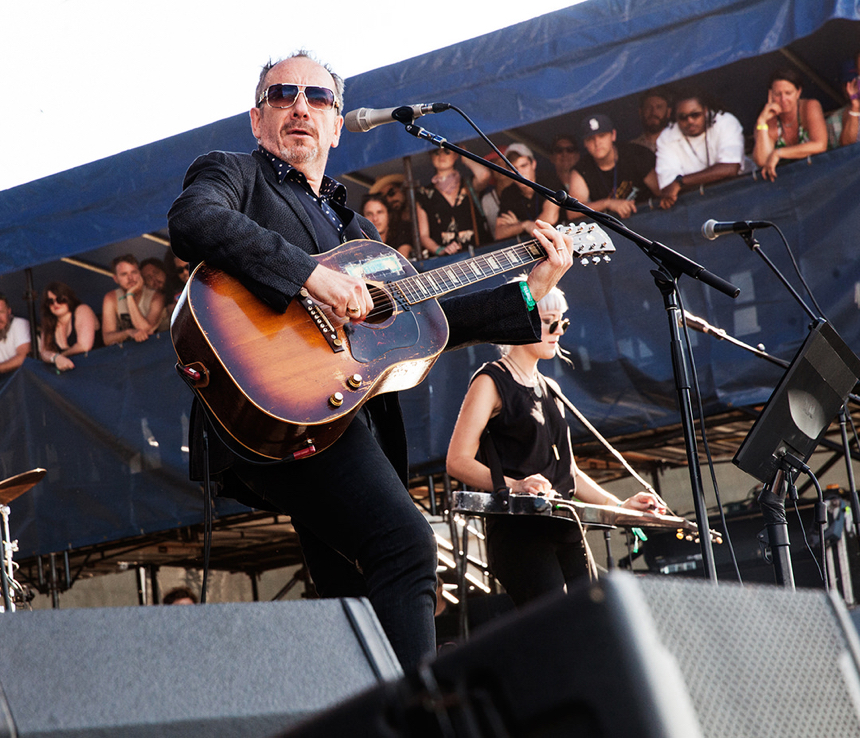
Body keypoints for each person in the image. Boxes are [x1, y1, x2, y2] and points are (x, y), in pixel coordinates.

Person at [166, 51, 575, 671]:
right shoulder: (234, 173)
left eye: (317, 97)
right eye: (281, 95)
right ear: (257, 120)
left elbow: (426, 326)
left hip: (340, 414)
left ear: (335, 126)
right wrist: (307, 277)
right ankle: (418, 720)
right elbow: (194, 220)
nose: (299, 105)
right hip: (270, 401)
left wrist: (530, 292)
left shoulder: (358, 231)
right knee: (408, 549)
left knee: (351, 604)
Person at [446, 284, 665, 606]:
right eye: (550, 321)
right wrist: (516, 485)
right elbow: (457, 460)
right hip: (520, 532)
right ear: (520, 322)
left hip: (565, 527)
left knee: (592, 620)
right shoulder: (490, 381)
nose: (558, 331)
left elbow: (569, 473)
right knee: (558, 628)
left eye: (563, 322)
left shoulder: (550, 387)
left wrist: (619, 508)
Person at [655, 89, 747, 209]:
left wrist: (680, 182)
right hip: (699, 205)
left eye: (695, 115)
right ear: (675, 117)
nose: (690, 121)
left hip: (739, 194)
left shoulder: (725, 121)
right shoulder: (666, 137)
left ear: (705, 110)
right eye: (683, 117)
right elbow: (668, 187)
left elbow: (730, 168)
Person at [568, 114, 659, 219]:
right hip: (614, 227)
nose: (597, 143)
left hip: (648, 217)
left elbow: (662, 192)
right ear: (585, 143)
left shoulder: (634, 154)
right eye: (590, 139)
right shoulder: (581, 169)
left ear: (613, 135)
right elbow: (573, 211)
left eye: (602, 136)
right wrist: (608, 203)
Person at [752, 69, 827, 181]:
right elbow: (762, 161)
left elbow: (820, 145)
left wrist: (778, 153)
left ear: (798, 92)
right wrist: (761, 122)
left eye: (788, 93)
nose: (783, 99)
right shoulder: (768, 119)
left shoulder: (809, 107)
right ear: (770, 94)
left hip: (820, 175)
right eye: (778, 94)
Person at [416, 147, 494, 256]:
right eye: (436, 152)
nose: (441, 156)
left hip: (478, 254)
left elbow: (485, 175)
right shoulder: (423, 194)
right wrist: (440, 250)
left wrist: (464, 153)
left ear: (455, 155)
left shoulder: (468, 184)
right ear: (430, 156)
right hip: (447, 260)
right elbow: (423, 236)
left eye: (447, 151)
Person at [494, 143, 560, 241]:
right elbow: (499, 233)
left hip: (560, 239)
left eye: (523, 166)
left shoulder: (549, 181)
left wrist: (515, 226)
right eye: (514, 168)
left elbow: (550, 218)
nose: (519, 173)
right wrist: (524, 225)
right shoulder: (508, 193)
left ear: (533, 164)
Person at [101, 254, 165, 345]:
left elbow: (146, 330)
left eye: (134, 272)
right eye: (124, 274)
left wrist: (130, 296)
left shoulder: (156, 296)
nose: (130, 278)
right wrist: (128, 332)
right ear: (116, 279)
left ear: (140, 273)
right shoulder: (111, 298)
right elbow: (107, 339)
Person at [38, 282, 101, 372]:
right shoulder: (48, 323)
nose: (56, 304)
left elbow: (84, 346)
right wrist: (55, 358)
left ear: (69, 298)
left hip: (95, 368)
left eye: (60, 299)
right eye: (50, 302)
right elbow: (44, 353)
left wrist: (60, 356)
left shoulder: (82, 310)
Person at [826, 55, 860, 149]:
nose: (851, 87)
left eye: (855, 82)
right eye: (847, 83)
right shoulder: (835, 119)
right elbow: (847, 149)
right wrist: (855, 107)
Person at [629, 88, 672, 153]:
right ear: (640, 112)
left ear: (668, 112)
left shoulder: (679, 144)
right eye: (648, 107)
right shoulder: (631, 148)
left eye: (659, 107)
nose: (653, 112)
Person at [0, 293, 30, 375]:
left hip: (19, 380)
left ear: (9, 311)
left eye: (1, 312)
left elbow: (23, 357)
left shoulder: (19, 324)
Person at [140, 257, 171, 331]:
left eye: (156, 273)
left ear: (164, 271)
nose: (154, 279)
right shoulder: (147, 302)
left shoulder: (179, 290)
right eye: (148, 277)